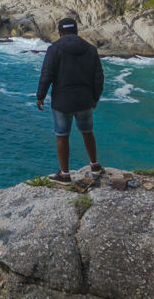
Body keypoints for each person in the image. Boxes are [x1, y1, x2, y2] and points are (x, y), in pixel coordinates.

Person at [36, 17, 104, 182]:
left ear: (60, 32)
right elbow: (99, 77)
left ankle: (65, 174)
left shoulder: (54, 49)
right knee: (88, 133)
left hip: (62, 101)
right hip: (85, 99)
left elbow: (47, 75)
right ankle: (94, 165)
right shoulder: (90, 49)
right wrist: (96, 97)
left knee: (62, 136)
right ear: (76, 31)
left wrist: (40, 96)